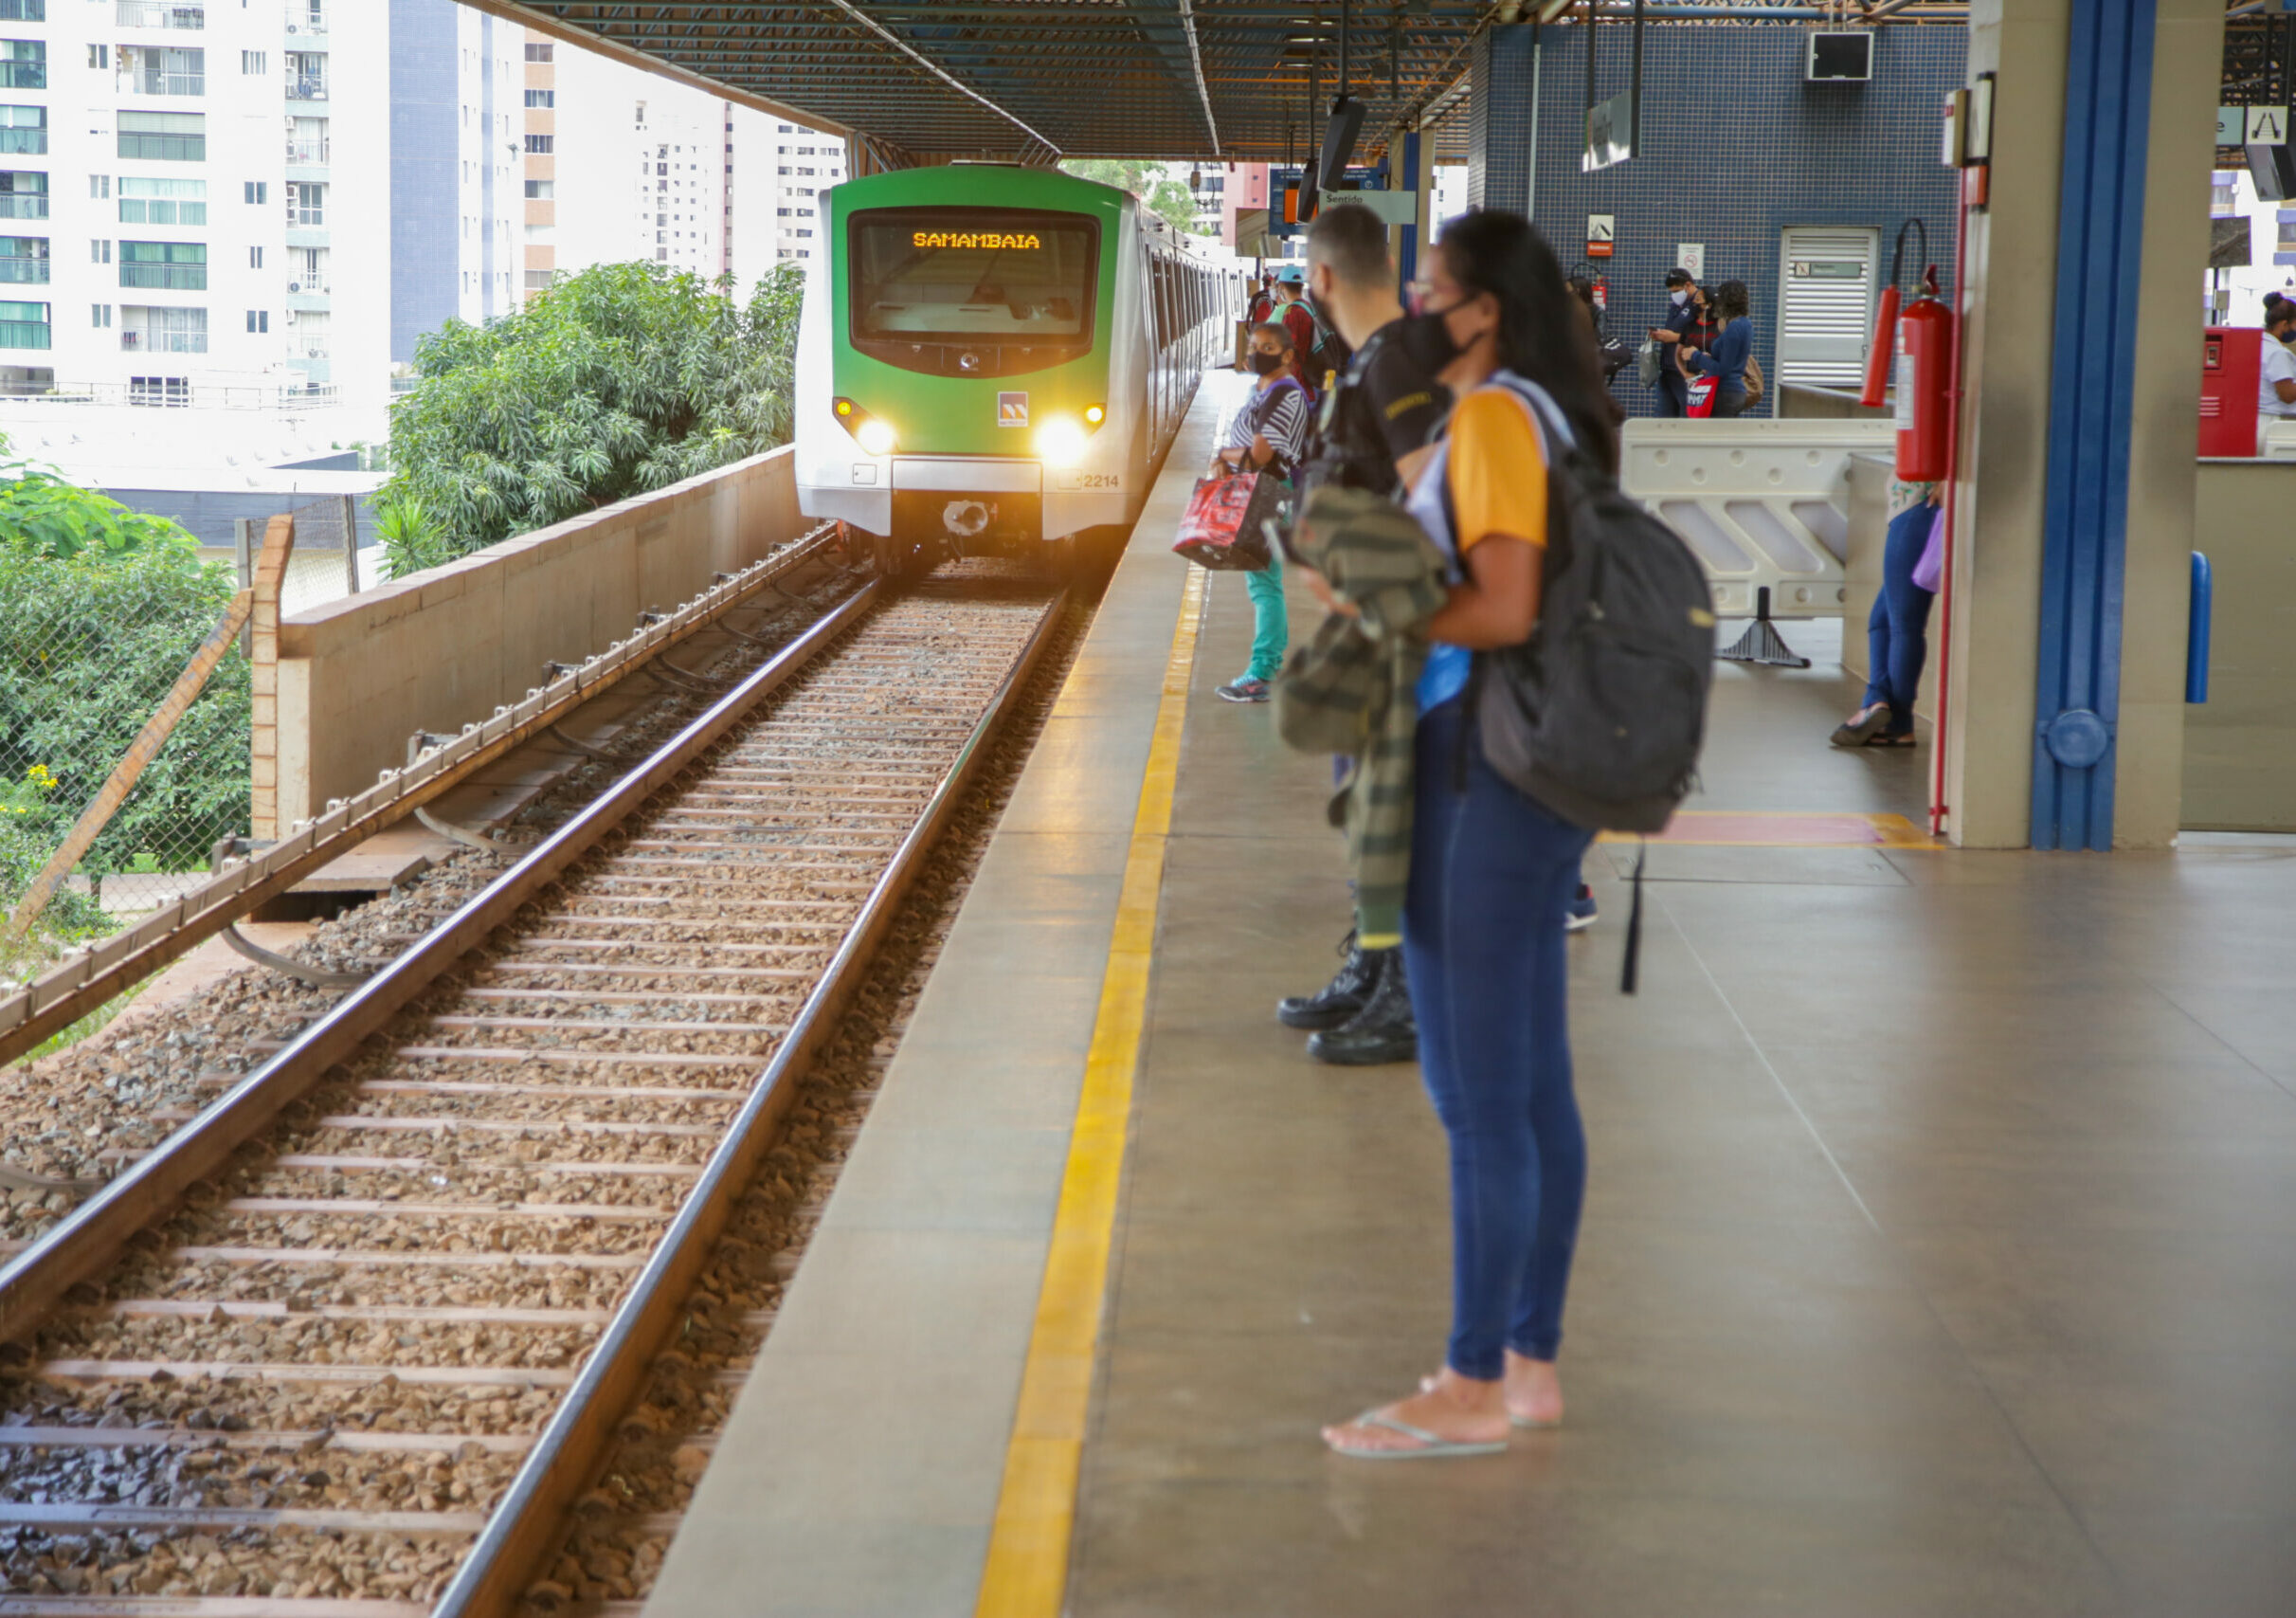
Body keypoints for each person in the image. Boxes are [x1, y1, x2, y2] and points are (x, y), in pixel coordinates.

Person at [1314, 209, 1619, 1459]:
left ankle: (1471, 1377)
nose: (1416, 301)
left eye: (1434, 284)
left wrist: (1364, 590)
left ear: (1483, 306)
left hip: (1474, 770)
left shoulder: (1494, 420)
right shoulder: (1544, 417)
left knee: (1473, 1097)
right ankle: (1527, 1362)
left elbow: (1498, 604)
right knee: (1531, 1088)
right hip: (1527, 776)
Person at [1275, 202, 1455, 1066]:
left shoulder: (1396, 361)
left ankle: (1405, 996)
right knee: (1365, 806)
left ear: (1322, 279)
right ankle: (1371, 962)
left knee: (1393, 811)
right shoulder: (1377, 358)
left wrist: (1368, 573)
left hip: (1398, 631)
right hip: (1370, 620)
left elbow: (1432, 498)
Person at [1211, 321, 1312, 705]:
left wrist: (1224, 455)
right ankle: (1263, 669)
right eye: (1253, 345)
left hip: (1268, 494)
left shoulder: (1285, 394)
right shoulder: (1265, 390)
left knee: (1265, 586)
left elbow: (1259, 456)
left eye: (1268, 346)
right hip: (1259, 493)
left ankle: (1262, 674)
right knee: (1263, 584)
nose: (1257, 352)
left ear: (1288, 355)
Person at [1834, 493, 1939, 748]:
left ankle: (1898, 723)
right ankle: (1877, 700)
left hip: (1916, 511)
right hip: (1914, 512)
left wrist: (1943, 481)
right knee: (1881, 620)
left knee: (1905, 626)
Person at [1685, 279, 1754, 418]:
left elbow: (1724, 369)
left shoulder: (1734, 328)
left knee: (1714, 437)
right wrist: (1709, 358)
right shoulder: (1745, 324)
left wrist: (1695, 355)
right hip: (1734, 392)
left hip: (1724, 392)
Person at [1647, 267, 1698, 416]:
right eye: (1671, 292)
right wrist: (1661, 335)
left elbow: (1706, 337)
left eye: (1676, 291)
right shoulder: (1676, 305)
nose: (1674, 295)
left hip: (1687, 370)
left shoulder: (1699, 304)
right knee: (1665, 417)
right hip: (1668, 368)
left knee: (1686, 415)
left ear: (1688, 285)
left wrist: (1674, 337)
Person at [2261, 295, 2296, 453]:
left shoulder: (2260, 345)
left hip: (2260, 421)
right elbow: (2287, 395)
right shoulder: (2278, 353)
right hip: (2274, 425)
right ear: (2284, 324)